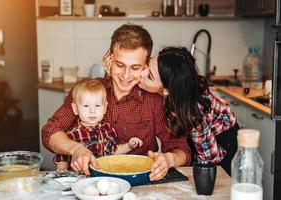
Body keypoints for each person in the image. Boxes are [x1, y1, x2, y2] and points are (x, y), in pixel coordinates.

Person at [41, 24, 191, 181]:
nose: (126, 76)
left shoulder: (154, 100)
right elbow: (50, 131)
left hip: (140, 186)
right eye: (120, 65)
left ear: (146, 66)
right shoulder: (87, 90)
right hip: (91, 184)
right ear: (109, 58)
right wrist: (76, 149)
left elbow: (182, 150)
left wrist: (169, 160)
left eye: (135, 67)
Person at [138, 47, 239, 175]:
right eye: (147, 65)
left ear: (166, 90)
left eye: (150, 76)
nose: (142, 73)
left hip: (223, 141)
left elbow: (210, 158)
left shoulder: (195, 112)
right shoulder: (175, 91)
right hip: (199, 134)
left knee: (211, 177)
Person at [54, 78, 143, 172]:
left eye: (97, 105)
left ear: (104, 108)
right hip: (81, 178)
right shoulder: (71, 135)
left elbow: (114, 151)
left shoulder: (108, 129)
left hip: (105, 175)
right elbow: (62, 157)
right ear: (75, 109)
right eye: (86, 106)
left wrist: (128, 146)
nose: (92, 111)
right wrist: (62, 169)